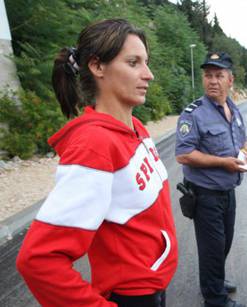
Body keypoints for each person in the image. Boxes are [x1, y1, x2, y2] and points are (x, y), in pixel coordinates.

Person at [16, 19, 178, 307]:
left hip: (156, 288)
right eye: (133, 63)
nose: (149, 74)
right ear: (97, 66)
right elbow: (38, 259)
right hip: (132, 298)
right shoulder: (94, 145)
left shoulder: (137, 128)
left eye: (146, 62)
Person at [175, 51, 247, 307]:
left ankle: (215, 282)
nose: (213, 81)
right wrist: (224, 163)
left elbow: (243, 138)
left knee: (224, 244)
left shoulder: (233, 109)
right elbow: (184, 154)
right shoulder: (194, 113)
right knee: (212, 249)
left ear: (230, 80)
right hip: (205, 193)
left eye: (219, 75)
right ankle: (215, 300)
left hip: (228, 191)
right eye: (208, 75)